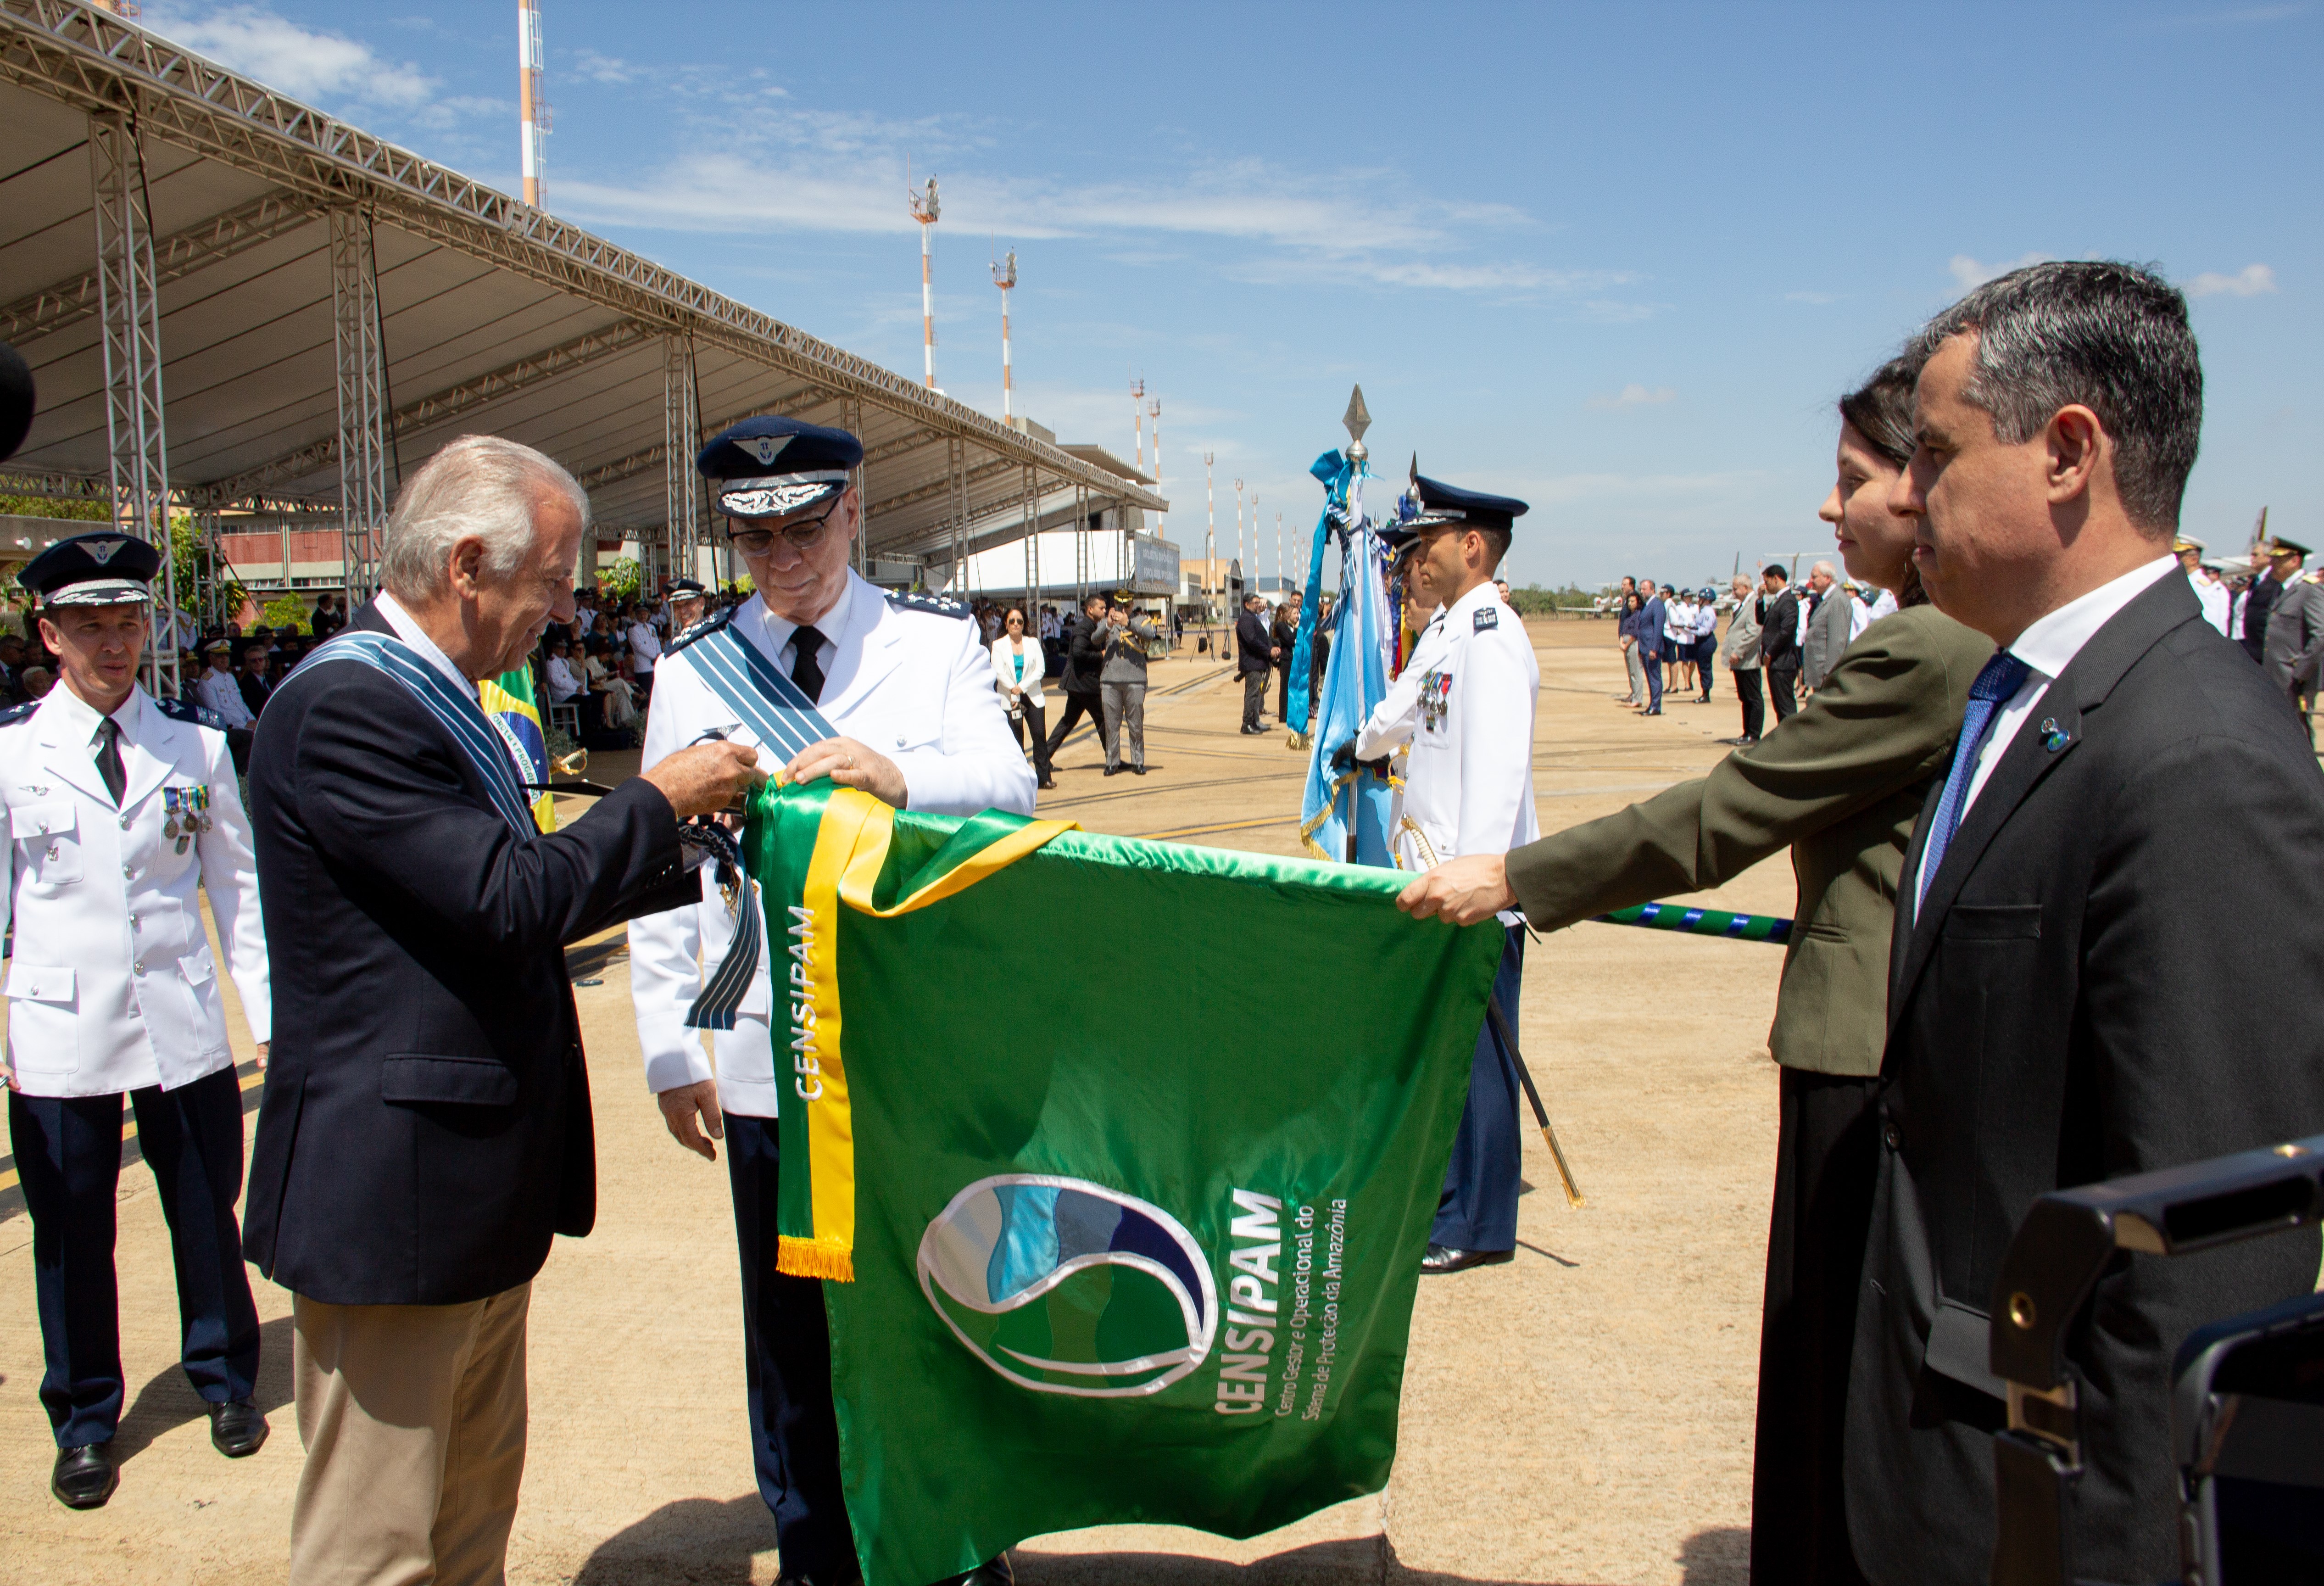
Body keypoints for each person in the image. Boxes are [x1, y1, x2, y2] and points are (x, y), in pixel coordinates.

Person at [1397, 353, 1993, 1585]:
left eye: (1858, 478)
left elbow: (1732, 807)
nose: (1832, 510)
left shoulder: (1931, 648)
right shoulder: (1941, 638)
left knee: (1840, 1364)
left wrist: (1513, 876)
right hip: (1904, 1030)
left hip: (1862, 1040)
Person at [1853, 260, 2324, 1584]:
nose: (1902, 495)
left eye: (1936, 456)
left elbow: (2210, 1257)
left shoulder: (2196, 759)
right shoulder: (2027, 697)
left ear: (2068, 453)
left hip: (2052, 1511)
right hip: (1949, 1448)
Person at [240, 436, 761, 1585]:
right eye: (558, 579)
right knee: (375, 1544)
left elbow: (513, 882)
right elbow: (506, 895)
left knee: (470, 1515)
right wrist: (655, 797)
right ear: (470, 561)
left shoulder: (448, 700)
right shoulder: (349, 705)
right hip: (392, 1195)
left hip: (464, 1185)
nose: (567, 611)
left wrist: (706, 847)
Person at [629, 416, 1032, 1586]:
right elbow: (664, 872)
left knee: (940, 1299)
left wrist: (899, 775)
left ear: (854, 511)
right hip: (766, 1049)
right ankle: (812, 1540)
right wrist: (670, 1047)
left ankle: (954, 1532)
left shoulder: (932, 643)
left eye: (805, 528)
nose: (784, 558)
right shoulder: (693, 670)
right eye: (756, 539)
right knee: (791, 1326)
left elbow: (1009, 788)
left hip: (914, 1045)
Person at [2, 532, 275, 1512]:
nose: (113, 645)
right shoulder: (9, 757)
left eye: (127, 623)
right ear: (50, 633)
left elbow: (237, 888)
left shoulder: (196, 749)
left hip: (180, 1021)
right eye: (88, 626)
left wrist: (269, 1017)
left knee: (205, 1206)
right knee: (71, 1233)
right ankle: (83, 1418)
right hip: (56, 1032)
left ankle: (225, 1378)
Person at [1353, 473, 1538, 1274]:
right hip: (1439, 878)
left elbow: (1497, 776)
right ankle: (1450, 1195)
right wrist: (1358, 745)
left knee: (1479, 1061)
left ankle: (1479, 1221)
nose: (1410, 562)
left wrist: (1484, 882)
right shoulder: (1449, 631)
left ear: (1470, 546)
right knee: (1446, 1055)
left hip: (1476, 889)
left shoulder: (1492, 634)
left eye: (1422, 546)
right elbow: (1408, 711)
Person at [2257, 536, 2321, 725]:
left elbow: (2321, 634)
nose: (2273, 563)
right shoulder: (2283, 589)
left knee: (2298, 729)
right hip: (2276, 673)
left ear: (2295, 561)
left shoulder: (2309, 590)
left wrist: (2301, 672)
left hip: (2293, 678)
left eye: (2279, 559)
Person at [1042, 592, 1110, 762]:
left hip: (1078, 684)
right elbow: (1078, 652)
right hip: (1085, 684)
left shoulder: (1091, 626)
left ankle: (1043, 759)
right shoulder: (1085, 627)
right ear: (1090, 610)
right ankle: (1113, 758)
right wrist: (1101, 655)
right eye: (1101, 608)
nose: (1104, 611)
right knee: (1103, 720)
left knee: (1068, 722)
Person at [992, 606, 1055, 788]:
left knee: (1039, 736)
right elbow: (999, 672)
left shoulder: (1033, 643)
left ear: (1024, 624)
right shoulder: (998, 645)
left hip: (1032, 696)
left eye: (1020, 621)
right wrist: (1014, 689)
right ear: (1006, 623)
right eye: (1012, 621)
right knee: (1015, 739)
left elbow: (1040, 670)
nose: (1016, 625)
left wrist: (1022, 687)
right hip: (1010, 698)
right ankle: (1019, 779)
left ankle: (1044, 777)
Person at [1098, 594, 1157, 775]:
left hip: (1135, 678)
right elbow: (1095, 637)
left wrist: (1128, 623)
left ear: (1133, 605)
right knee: (1111, 724)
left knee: (1136, 723)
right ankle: (1112, 762)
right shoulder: (1109, 622)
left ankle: (1138, 761)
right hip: (1110, 679)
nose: (1123, 608)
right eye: (1120, 605)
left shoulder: (1142, 621)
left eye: (1127, 605)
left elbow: (1150, 635)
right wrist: (1109, 624)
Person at [1717, 574, 1763, 744]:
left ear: (1745, 587)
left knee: (1753, 697)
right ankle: (1747, 732)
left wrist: (1739, 651)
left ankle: (1754, 733)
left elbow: (1754, 632)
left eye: (1736, 589)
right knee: (1745, 697)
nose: (1734, 592)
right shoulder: (1743, 604)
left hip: (1748, 660)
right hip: (1740, 662)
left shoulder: (1753, 604)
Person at [1757, 566, 1802, 719]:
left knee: (1786, 708)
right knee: (1780, 707)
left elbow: (1786, 631)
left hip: (1783, 662)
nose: (1766, 585)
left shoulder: (1788, 601)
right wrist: (1760, 599)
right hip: (1777, 663)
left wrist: (1770, 652)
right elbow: (1762, 620)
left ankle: (1793, 741)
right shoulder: (1779, 601)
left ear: (1776, 579)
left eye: (1767, 581)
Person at [1800, 560, 1852, 690]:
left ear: (1828, 578)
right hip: (1819, 674)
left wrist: (1830, 674)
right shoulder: (1826, 599)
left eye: (1814, 577)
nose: (1811, 580)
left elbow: (1837, 642)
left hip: (1826, 675)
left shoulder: (1837, 600)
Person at [1236, 592, 1279, 733]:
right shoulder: (1246, 620)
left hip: (1257, 662)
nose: (1258, 606)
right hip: (1252, 662)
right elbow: (1252, 640)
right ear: (1247, 605)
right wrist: (1268, 651)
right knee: (1252, 694)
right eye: (1256, 603)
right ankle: (1247, 723)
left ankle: (1254, 721)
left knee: (1256, 693)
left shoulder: (1253, 618)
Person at [1635, 578, 1667, 715]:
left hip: (1652, 648)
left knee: (1655, 678)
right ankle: (1653, 704)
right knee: (1650, 678)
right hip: (1645, 647)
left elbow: (1658, 628)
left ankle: (1656, 706)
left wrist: (1654, 648)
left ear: (1653, 590)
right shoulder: (1647, 606)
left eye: (1645, 589)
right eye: (1641, 589)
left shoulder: (1657, 605)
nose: (1642, 592)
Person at [1271, 590, 1302, 722]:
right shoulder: (1280, 626)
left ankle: (1291, 714)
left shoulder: (1286, 625)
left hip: (1292, 659)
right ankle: (1283, 716)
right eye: (1290, 613)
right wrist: (1296, 628)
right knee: (1285, 688)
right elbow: (1290, 640)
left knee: (1292, 688)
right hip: (1286, 660)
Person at [1690, 586, 1720, 701]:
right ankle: (1705, 692)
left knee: (1705, 667)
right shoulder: (1703, 610)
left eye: (1701, 598)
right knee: (1702, 666)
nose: (1699, 600)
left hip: (1706, 640)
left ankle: (1706, 694)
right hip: (1702, 640)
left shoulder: (1708, 612)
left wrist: (1691, 631)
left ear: (1707, 600)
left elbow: (1705, 631)